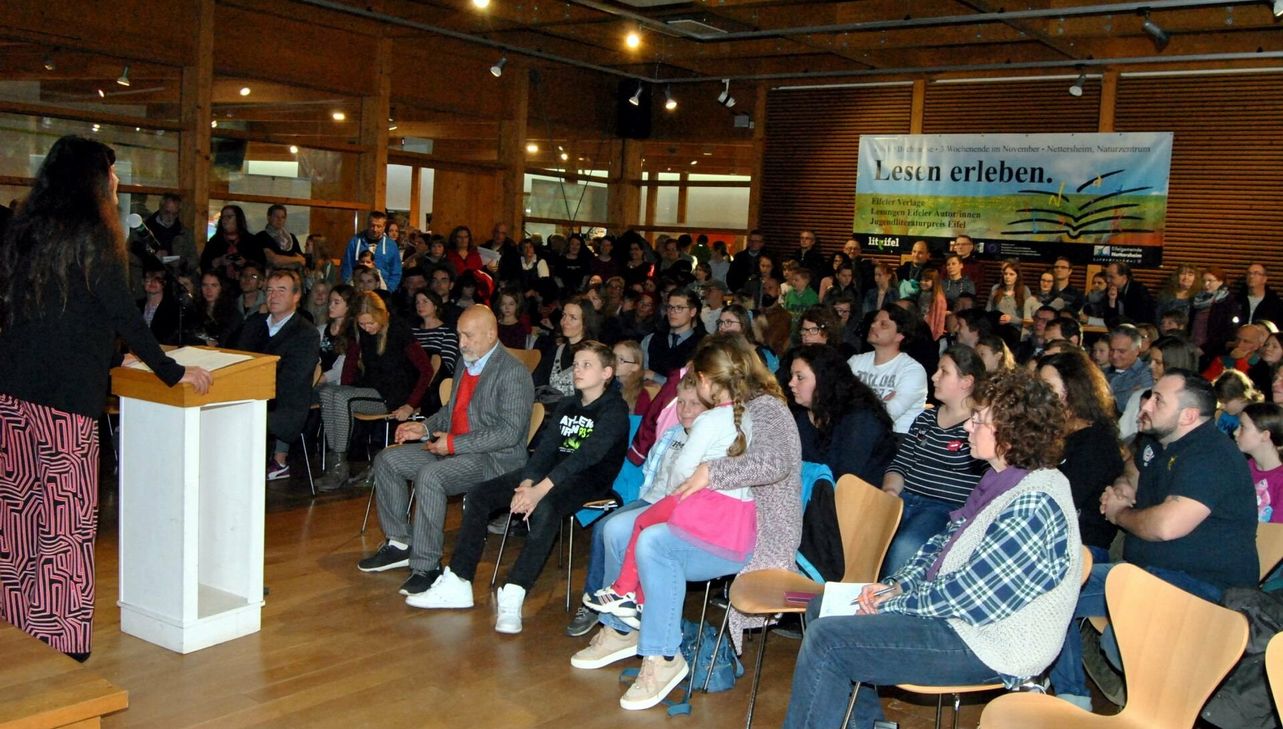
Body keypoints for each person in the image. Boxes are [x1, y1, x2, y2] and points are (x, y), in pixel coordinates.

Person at [0, 135, 212, 659]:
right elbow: (120, 312)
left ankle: (16, 612)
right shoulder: (94, 236)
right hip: (67, 399)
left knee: (19, 511)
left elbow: (52, 312)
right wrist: (171, 369)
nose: (116, 183)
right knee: (67, 518)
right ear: (95, 180)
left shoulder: (23, 230)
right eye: (112, 173)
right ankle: (64, 634)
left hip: (13, 391)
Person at [783, 369, 1081, 729]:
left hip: (992, 643)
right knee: (823, 609)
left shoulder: (1033, 500)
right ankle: (870, 725)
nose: (969, 427)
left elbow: (970, 598)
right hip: (962, 620)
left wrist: (888, 602)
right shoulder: (1001, 479)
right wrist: (897, 585)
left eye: (979, 420)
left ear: (1011, 433)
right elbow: (943, 544)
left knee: (828, 641)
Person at [572, 333, 803, 713]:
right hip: (723, 519)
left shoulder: (768, 409)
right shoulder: (740, 408)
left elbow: (773, 464)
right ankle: (625, 629)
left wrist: (711, 470)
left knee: (654, 542)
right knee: (622, 531)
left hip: (758, 535)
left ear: (719, 377)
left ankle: (662, 656)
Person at [1050, 369, 1259, 710]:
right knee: (1056, 586)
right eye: (1149, 395)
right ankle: (1073, 697)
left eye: (1159, 399)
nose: (1146, 403)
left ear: (1189, 416)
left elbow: (1167, 526)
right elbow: (1133, 468)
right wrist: (1123, 487)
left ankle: (1156, 705)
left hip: (1202, 588)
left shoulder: (1211, 456)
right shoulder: (1157, 441)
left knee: (1114, 635)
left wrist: (1119, 514)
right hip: (1148, 574)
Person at [409, 341, 630, 634]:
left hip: (589, 480)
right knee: (480, 495)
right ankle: (460, 580)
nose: (577, 370)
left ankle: (514, 591)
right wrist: (526, 483)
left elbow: (586, 457)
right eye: (575, 364)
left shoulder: (614, 410)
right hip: (549, 475)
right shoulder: (566, 404)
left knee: (546, 507)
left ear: (607, 373)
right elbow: (546, 449)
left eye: (586, 365)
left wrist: (538, 492)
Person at [356, 306, 534, 595]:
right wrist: (424, 428)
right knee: (386, 459)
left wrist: (452, 444)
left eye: (468, 336)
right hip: (457, 449)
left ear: (491, 334)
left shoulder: (513, 373)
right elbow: (452, 410)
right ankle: (400, 543)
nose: (461, 343)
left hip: (495, 460)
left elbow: (509, 433)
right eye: (459, 335)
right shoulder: (468, 363)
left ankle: (426, 565)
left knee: (431, 476)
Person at [584, 365, 755, 624]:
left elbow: (683, 473)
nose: (685, 410)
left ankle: (622, 592)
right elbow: (653, 472)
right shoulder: (726, 422)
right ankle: (635, 602)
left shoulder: (709, 424)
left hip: (689, 502)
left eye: (693, 403)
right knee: (612, 527)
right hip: (675, 500)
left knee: (642, 529)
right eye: (680, 403)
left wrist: (671, 498)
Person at [880, 345, 987, 573]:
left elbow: (986, 481)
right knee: (866, 533)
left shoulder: (979, 426)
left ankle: (889, 603)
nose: (934, 376)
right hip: (906, 497)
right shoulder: (926, 417)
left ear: (966, 381)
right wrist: (890, 493)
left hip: (944, 508)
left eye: (944, 372)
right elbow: (901, 463)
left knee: (906, 545)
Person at [314, 292, 435, 490]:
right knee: (328, 392)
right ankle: (336, 461)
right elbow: (350, 366)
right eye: (362, 324)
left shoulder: (398, 330)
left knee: (343, 398)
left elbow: (426, 370)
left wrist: (410, 404)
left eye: (370, 323)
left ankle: (340, 464)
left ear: (382, 315)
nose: (367, 328)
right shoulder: (359, 331)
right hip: (371, 389)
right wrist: (344, 388)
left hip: (395, 394)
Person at [233, 269, 321, 481]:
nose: (274, 296)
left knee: (237, 419)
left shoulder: (306, 332)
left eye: (281, 291)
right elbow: (239, 358)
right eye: (270, 290)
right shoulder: (255, 323)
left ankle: (244, 473)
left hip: (283, 403)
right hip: (251, 394)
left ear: (296, 296)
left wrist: (252, 392)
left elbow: (293, 379)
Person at [1037, 349, 1125, 562]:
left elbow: (1060, 501)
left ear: (1075, 390)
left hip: (1081, 546)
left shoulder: (1096, 441)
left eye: (1048, 388)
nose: (1039, 395)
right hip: (1044, 538)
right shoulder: (1049, 432)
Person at [785, 344, 897, 485]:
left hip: (861, 498)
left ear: (823, 380)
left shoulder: (859, 418)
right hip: (820, 495)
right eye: (792, 376)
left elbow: (845, 477)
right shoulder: (800, 416)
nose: (791, 383)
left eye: (799, 377)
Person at [848, 305, 927, 433]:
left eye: (883, 324)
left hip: (895, 438)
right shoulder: (855, 361)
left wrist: (856, 403)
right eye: (874, 322)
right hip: (855, 432)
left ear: (900, 336)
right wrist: (880, 403)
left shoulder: (912, 370)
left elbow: (887, 415)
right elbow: (836, 401)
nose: (873, 326)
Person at [1118, 333, 1197, 441]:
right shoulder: (1140, 396)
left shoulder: (1196, 402)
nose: (1151, 366)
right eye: (1151, 361)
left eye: (1158, 362)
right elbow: (1122, 434)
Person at [640, 289, 705, 385]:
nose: (672, 312)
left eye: (679, 308)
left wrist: (655, 376)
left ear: (692, 312)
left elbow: (693, 385)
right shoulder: (651, 339)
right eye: (670, 307)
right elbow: (641, 374)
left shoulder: (702, 346)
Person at [1237, 402, 1283, 523]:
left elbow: (1278, 532)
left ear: (1265, 435)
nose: (1235, 432)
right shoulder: (1242, 469)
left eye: (1242, 427)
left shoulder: (1280, 479)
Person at [1190, 266, 1241, 362]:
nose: (1206, 284)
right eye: (1204, 281)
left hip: (1213, 352)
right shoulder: (1197, 299)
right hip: (1193, 346)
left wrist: (1205, 348)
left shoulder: (1228, 303)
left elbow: (1227, 331)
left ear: (1220, 282)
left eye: (1210, 281)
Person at [341, 211, 401, 290]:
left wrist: (389, 290)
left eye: (378, 226)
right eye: (372, 225)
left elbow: (396, 272)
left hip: (382, 291)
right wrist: (350, 288)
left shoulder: (391, 246)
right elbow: (347, 267)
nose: (375, 229)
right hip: (358, 290)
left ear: (384, 227)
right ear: (367, 224)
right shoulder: (355, 242)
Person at [317, 284, 356, 387]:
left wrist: (318, 380)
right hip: (317, 380)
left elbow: (340, 369)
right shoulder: (321, 330)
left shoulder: (352, 334)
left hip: (336, 386)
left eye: (336, 302)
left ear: (349, 306)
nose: (331, 306)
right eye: (330, 301)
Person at [194, 271, 240, 346]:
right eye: (205, 285)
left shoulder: (232, 315)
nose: (208, 290)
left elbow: (223, 342)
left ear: (222, 288)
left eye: (214, 285)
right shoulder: (194, 311)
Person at [254, 204, 306, 270]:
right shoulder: (261, 236)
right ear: (268, 217)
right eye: (276, 216)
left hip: (291, 276)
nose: (279, 219)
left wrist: (283, 263)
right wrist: (296, 260)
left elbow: (302, 261)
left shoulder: (292, 238)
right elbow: (274, 260)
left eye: (283, 217)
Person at [725, 229, 764, 294]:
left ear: (762, 243)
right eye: (751, 241)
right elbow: (731, 276)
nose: (753, 243)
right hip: (742, 292)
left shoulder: (767, 258)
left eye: (756, 241)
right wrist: (737, 289)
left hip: (760, 292)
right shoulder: (739, 257)